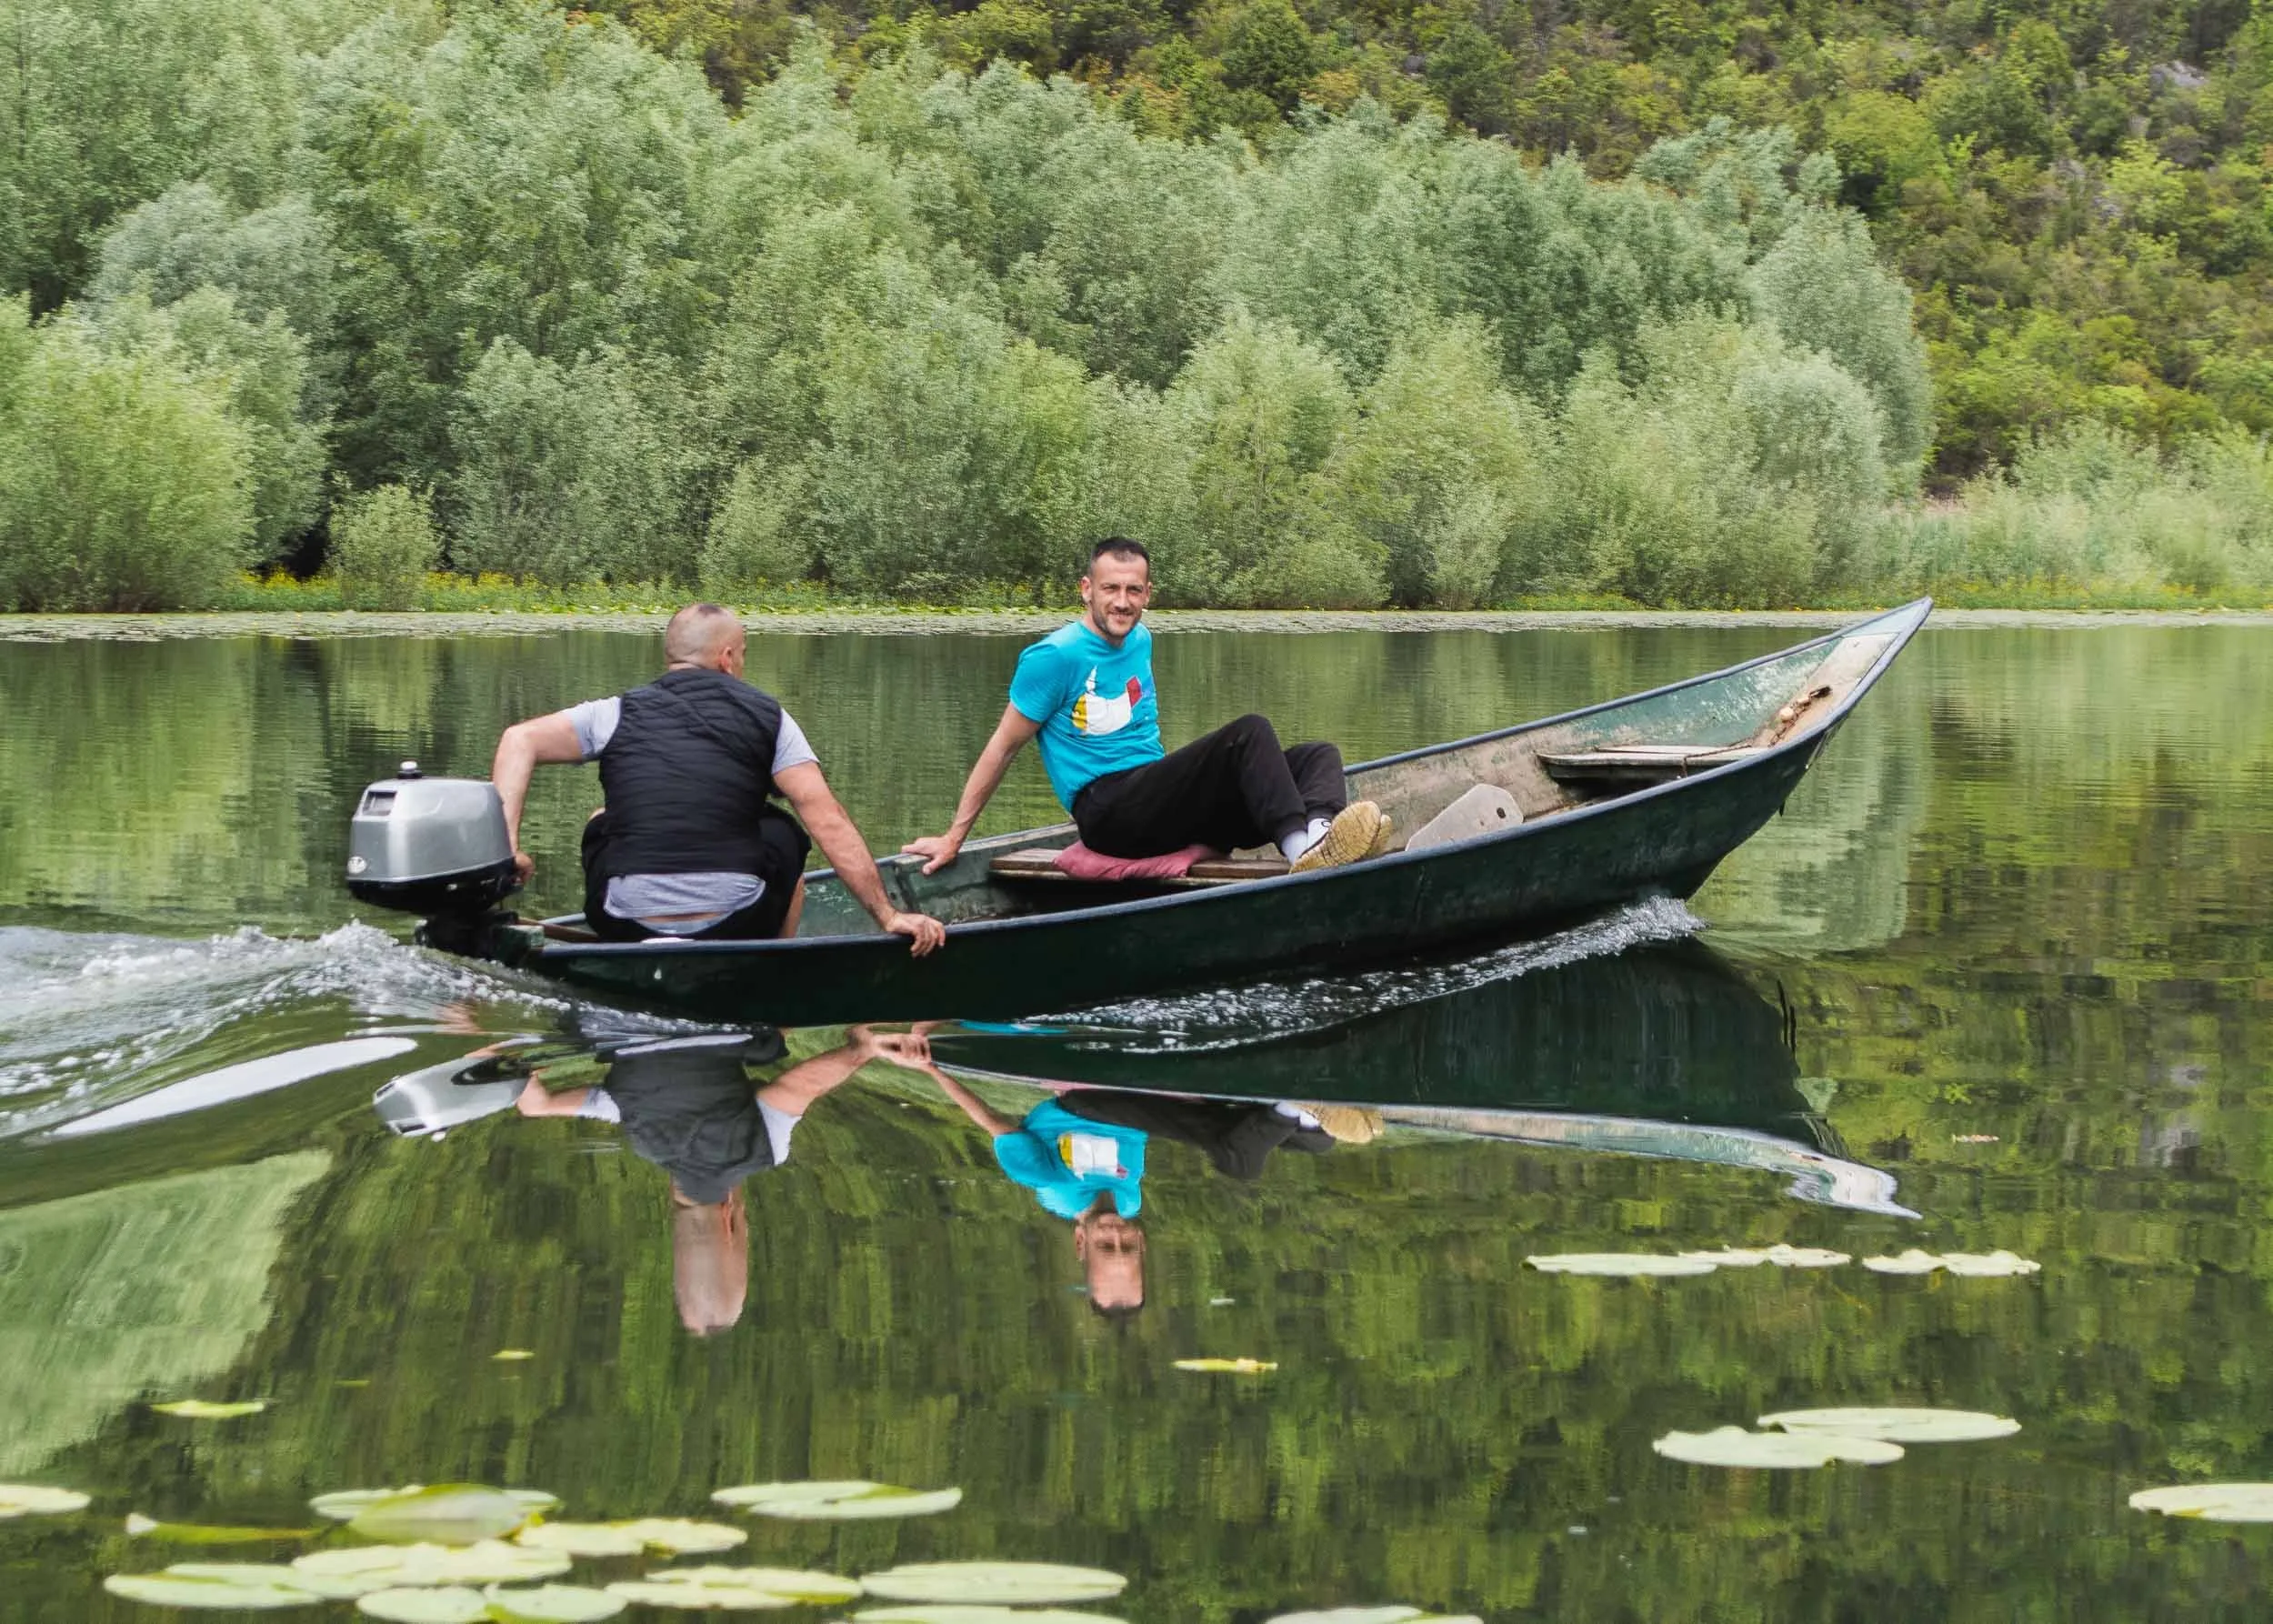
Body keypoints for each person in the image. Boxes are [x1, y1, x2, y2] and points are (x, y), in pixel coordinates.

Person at [902, 538, 1385, 876]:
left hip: (1155, 803)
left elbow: (1145, 741)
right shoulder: (1054, 656)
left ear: (1148, 594)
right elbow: (1001, 749)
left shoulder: (1140, 640)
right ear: (1086, 589)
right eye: (1110, 588)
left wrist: (1193, 788)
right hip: (1109, 812)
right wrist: (953, 838)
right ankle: (1302, 853)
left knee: (1317, 754)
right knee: (1249, 732)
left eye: (1133, 590)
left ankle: (1323, 837)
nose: (1122, 601)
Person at [491, 603, 944, 954]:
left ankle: (628, 951)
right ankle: (773, 971)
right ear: (727, 658)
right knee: (783, 829)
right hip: (737, 918)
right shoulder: (770, 717)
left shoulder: (614, 712)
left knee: (601, 819)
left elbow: (518, 740)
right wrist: (887, 916)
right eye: (743, 656)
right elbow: (828, 819)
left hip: (623, 919)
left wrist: (504, 853)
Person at [514, 1022, 927, 1334]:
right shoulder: (638, 1134)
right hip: (622, 1030)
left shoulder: (760, 1152)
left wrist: (863, 1048)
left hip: (718, 1022)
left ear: (732, 1220)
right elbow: (538, 1104)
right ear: (670, 1205)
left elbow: (800, 1085)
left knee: (771, 1042)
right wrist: (513, 1073)